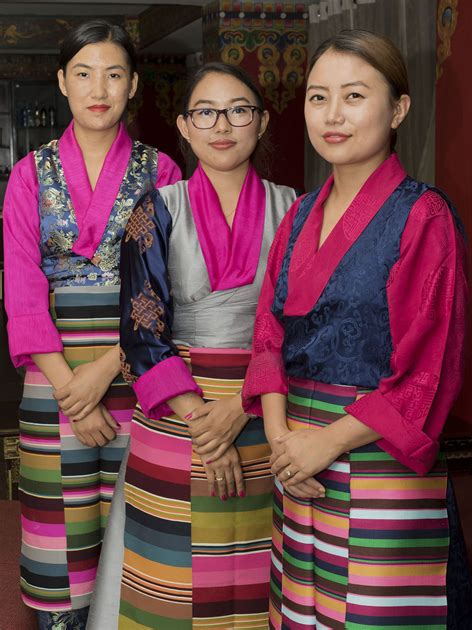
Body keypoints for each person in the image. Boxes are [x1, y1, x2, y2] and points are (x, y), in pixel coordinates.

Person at [242, 30, 469, 630]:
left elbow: (430, 366)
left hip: (376, 455)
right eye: (319, 98)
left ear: (398, 108)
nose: (333, 115)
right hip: (296, 454)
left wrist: (326, 442)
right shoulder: (297, 215)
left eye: (354, 96)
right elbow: (267, 333)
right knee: (302, 606)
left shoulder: (424, 216)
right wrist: (282, 439)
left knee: (376, 614)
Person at [3, 20, 181, 629]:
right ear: (61, 82)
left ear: (133, 85)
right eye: (83, 73)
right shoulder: (30, 173)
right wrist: (72, 392)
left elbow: (166, 289)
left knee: (140, 513)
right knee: (62, 519)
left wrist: (109, 367)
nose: (98, 87)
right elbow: (23, 290)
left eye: (113, 73)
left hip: (140, 368)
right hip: (54, 378)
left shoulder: (162, 174)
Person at [118, 61, 297, 628]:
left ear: (262, 122)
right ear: (184, 126)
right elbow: (140, 330)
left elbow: (306, 327)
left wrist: (239, 405)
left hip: (268, 412)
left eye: (239, 110)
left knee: (265, 583)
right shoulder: (155, 209)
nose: (223, 125)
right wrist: (206, 426)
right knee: (171, 588)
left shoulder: (297, 209)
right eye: (206, 112)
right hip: (179, 417)